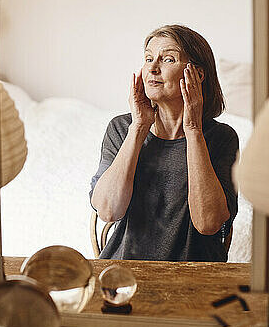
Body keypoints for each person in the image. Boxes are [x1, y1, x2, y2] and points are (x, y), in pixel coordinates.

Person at [90, 25, 238, 262]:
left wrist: (193, 130)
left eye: (168, 59)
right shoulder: (121, 128)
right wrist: (138, 127)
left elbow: (208, 223)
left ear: (197, 74)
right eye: (148, 58)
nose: (152, 67)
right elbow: (108, 211)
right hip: (124, 275)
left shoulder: (221, 138)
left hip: (195, 277)